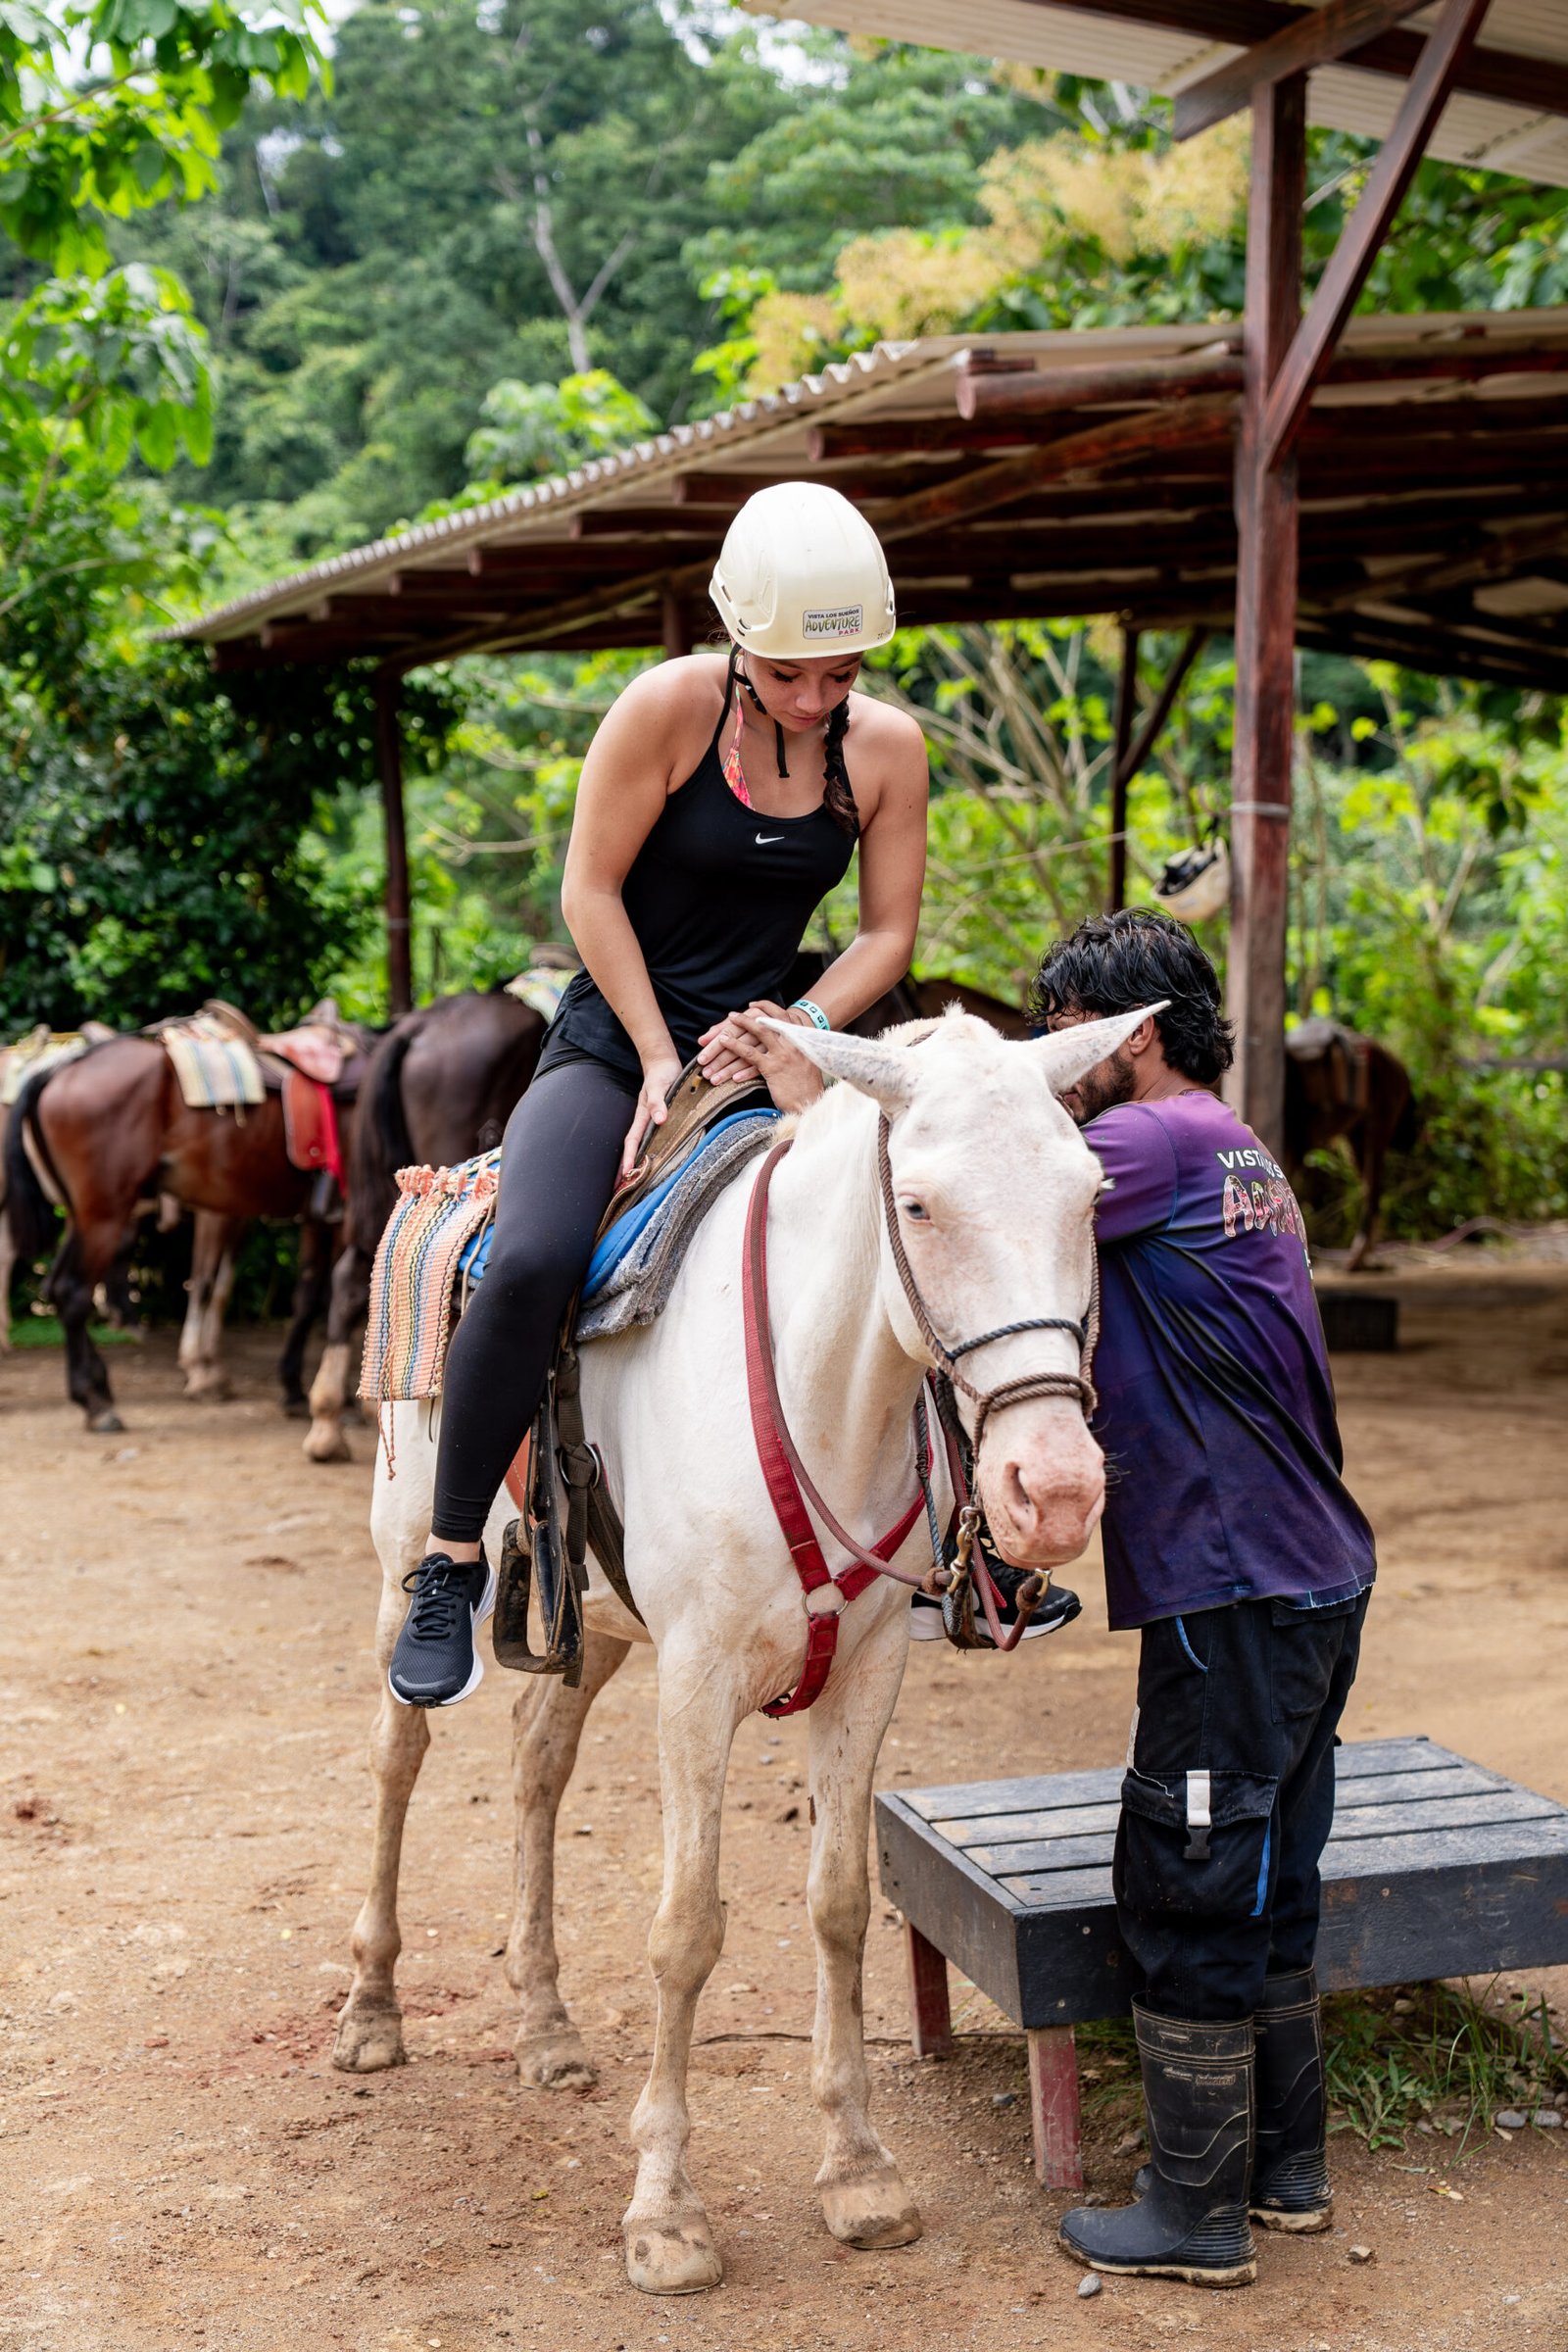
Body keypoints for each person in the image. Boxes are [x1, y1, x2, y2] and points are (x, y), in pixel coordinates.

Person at [387, 481, 930, 1709]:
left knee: (917, 1225)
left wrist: (800, 1028)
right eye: (789, 674)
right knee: (529, 1259)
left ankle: (960, 1546)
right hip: (613, 1038)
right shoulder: (667, 709)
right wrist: (649, 1055)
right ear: (736, 635)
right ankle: (452, 1555)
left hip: (775, 1039)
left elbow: (887, 933)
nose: (813, 697)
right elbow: (588, 894)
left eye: (838, 676)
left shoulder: (887, 749)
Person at [1033, 908, 1375, 2290]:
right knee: (1272, 1876)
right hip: (1313, 1572)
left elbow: (971, 1181)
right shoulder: (1234, 1146)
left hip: (1229, 1582)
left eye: (1068, 1035)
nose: (1054, 1064)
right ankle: (1284, 2170)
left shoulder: (1144, 1145)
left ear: (1142, 1038)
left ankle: (1195, 2213)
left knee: (1186, 1879)